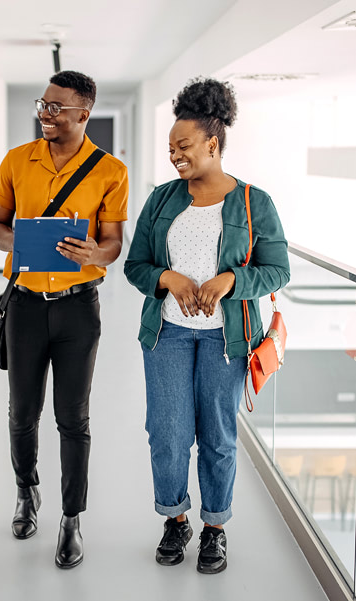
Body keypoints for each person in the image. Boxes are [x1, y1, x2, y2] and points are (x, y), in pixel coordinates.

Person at [124, 77, 290, 574]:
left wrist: (228, 282)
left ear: (212, 144)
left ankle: (214, 528)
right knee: (168, 433)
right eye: (171, 147)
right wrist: (168, 277)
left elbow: (277, 270)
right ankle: (175, 519)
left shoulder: (253, 202)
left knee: (217, 436)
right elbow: (136, 267)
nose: (175, 155)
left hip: (227, 338)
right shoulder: (161, 200)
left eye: (184, 146)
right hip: (167, 334)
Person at [0, 70, 128, 568]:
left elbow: (113, 243)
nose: (45, 114)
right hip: (24, 305)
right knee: (21, 414)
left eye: (56, 108)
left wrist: (96, 250)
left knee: (74, 418)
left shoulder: (110, 170)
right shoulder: (15, 161)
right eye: (42, 105)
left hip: (77, 307)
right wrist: (20, 240)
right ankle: (27, 492)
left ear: (82, 114)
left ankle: (72, 519)